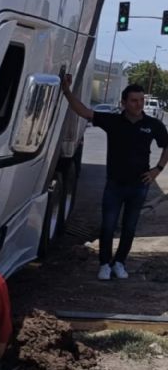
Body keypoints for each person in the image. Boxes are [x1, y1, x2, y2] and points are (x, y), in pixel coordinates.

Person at [61, 76, 168, 280]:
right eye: (134, 100)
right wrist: (66, 92)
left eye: (141, 100)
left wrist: (157, 169)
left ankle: (120, 263)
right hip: (114, 185)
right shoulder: (112, 121)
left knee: (129, 227)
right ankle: (104, 264)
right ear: (124, 103)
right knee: (108, 226)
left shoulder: (152, 124)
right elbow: (84, 111)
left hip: (139, 186)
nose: (139, 104)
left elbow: (167, 145)